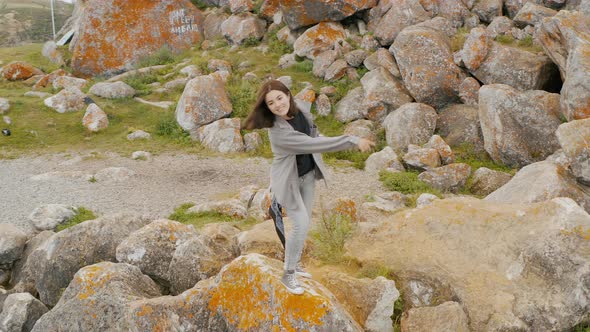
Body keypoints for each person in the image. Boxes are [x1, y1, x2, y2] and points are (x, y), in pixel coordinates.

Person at [243, 80, 374, 295]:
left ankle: (295, 263)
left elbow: (315, 134)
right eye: (271, 103)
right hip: (288, 182)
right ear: (267, 107)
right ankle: (289, 274)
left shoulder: (302, 110)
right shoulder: (278, 132)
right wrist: (351, 140)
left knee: (304, 224)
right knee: (301, 223)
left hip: (307, 176)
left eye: (279, 98)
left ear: (288, 95)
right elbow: (314, 144)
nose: (277, 104)